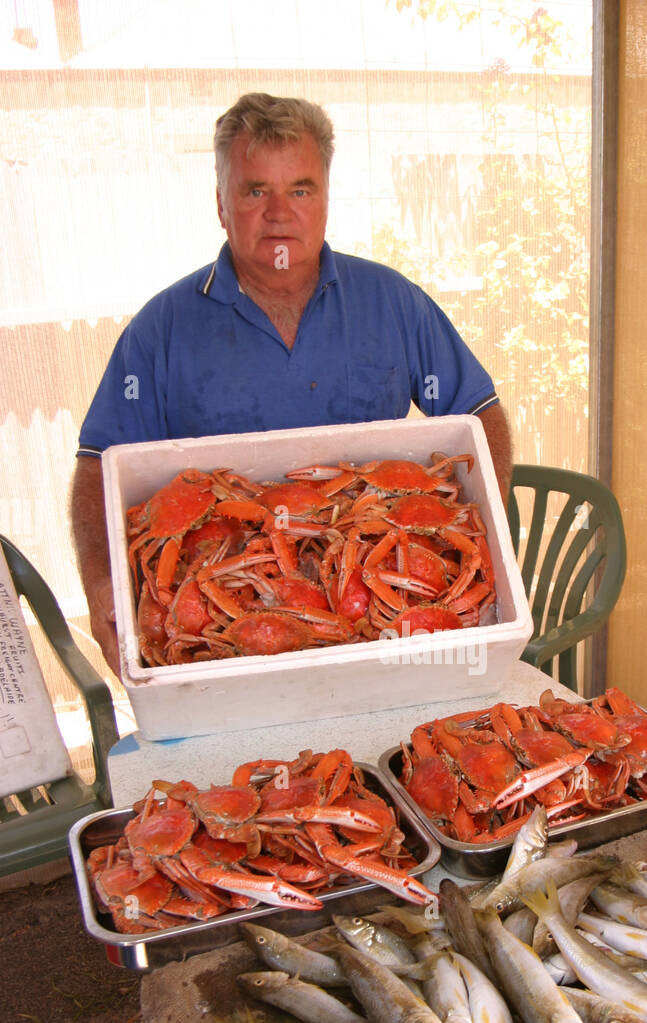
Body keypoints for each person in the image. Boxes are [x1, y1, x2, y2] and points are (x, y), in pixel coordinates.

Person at [71, 93, 512, 676]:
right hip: (224, 626)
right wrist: (103, 586)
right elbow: (99, 465)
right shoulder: (162, 329)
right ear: (221, 204)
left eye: (300, 189)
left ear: (326, 199)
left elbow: (480, 414)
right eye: (256, 191)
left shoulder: (391, 302)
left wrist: (492, 544)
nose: (279, 213)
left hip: (379, 611)